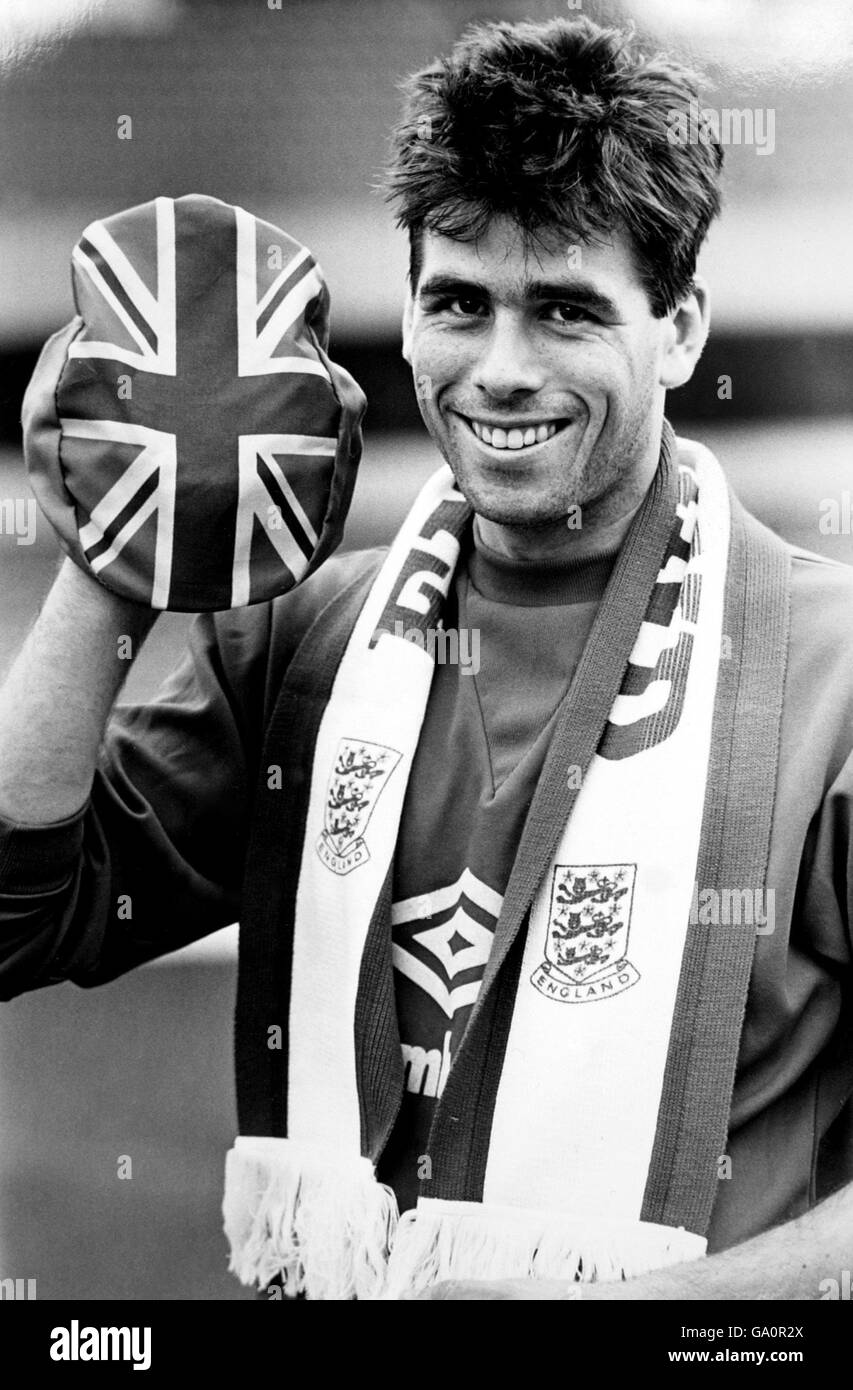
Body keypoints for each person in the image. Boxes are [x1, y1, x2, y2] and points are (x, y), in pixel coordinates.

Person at [1, 14, 852, 1302]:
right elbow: (22, 911)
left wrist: (645, 1315)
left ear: (679, 328)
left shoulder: (834, 680)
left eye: (565, 311)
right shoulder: (305, 641)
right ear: (406, 313)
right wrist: (114, 559)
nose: (500, 370)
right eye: (459, 302)